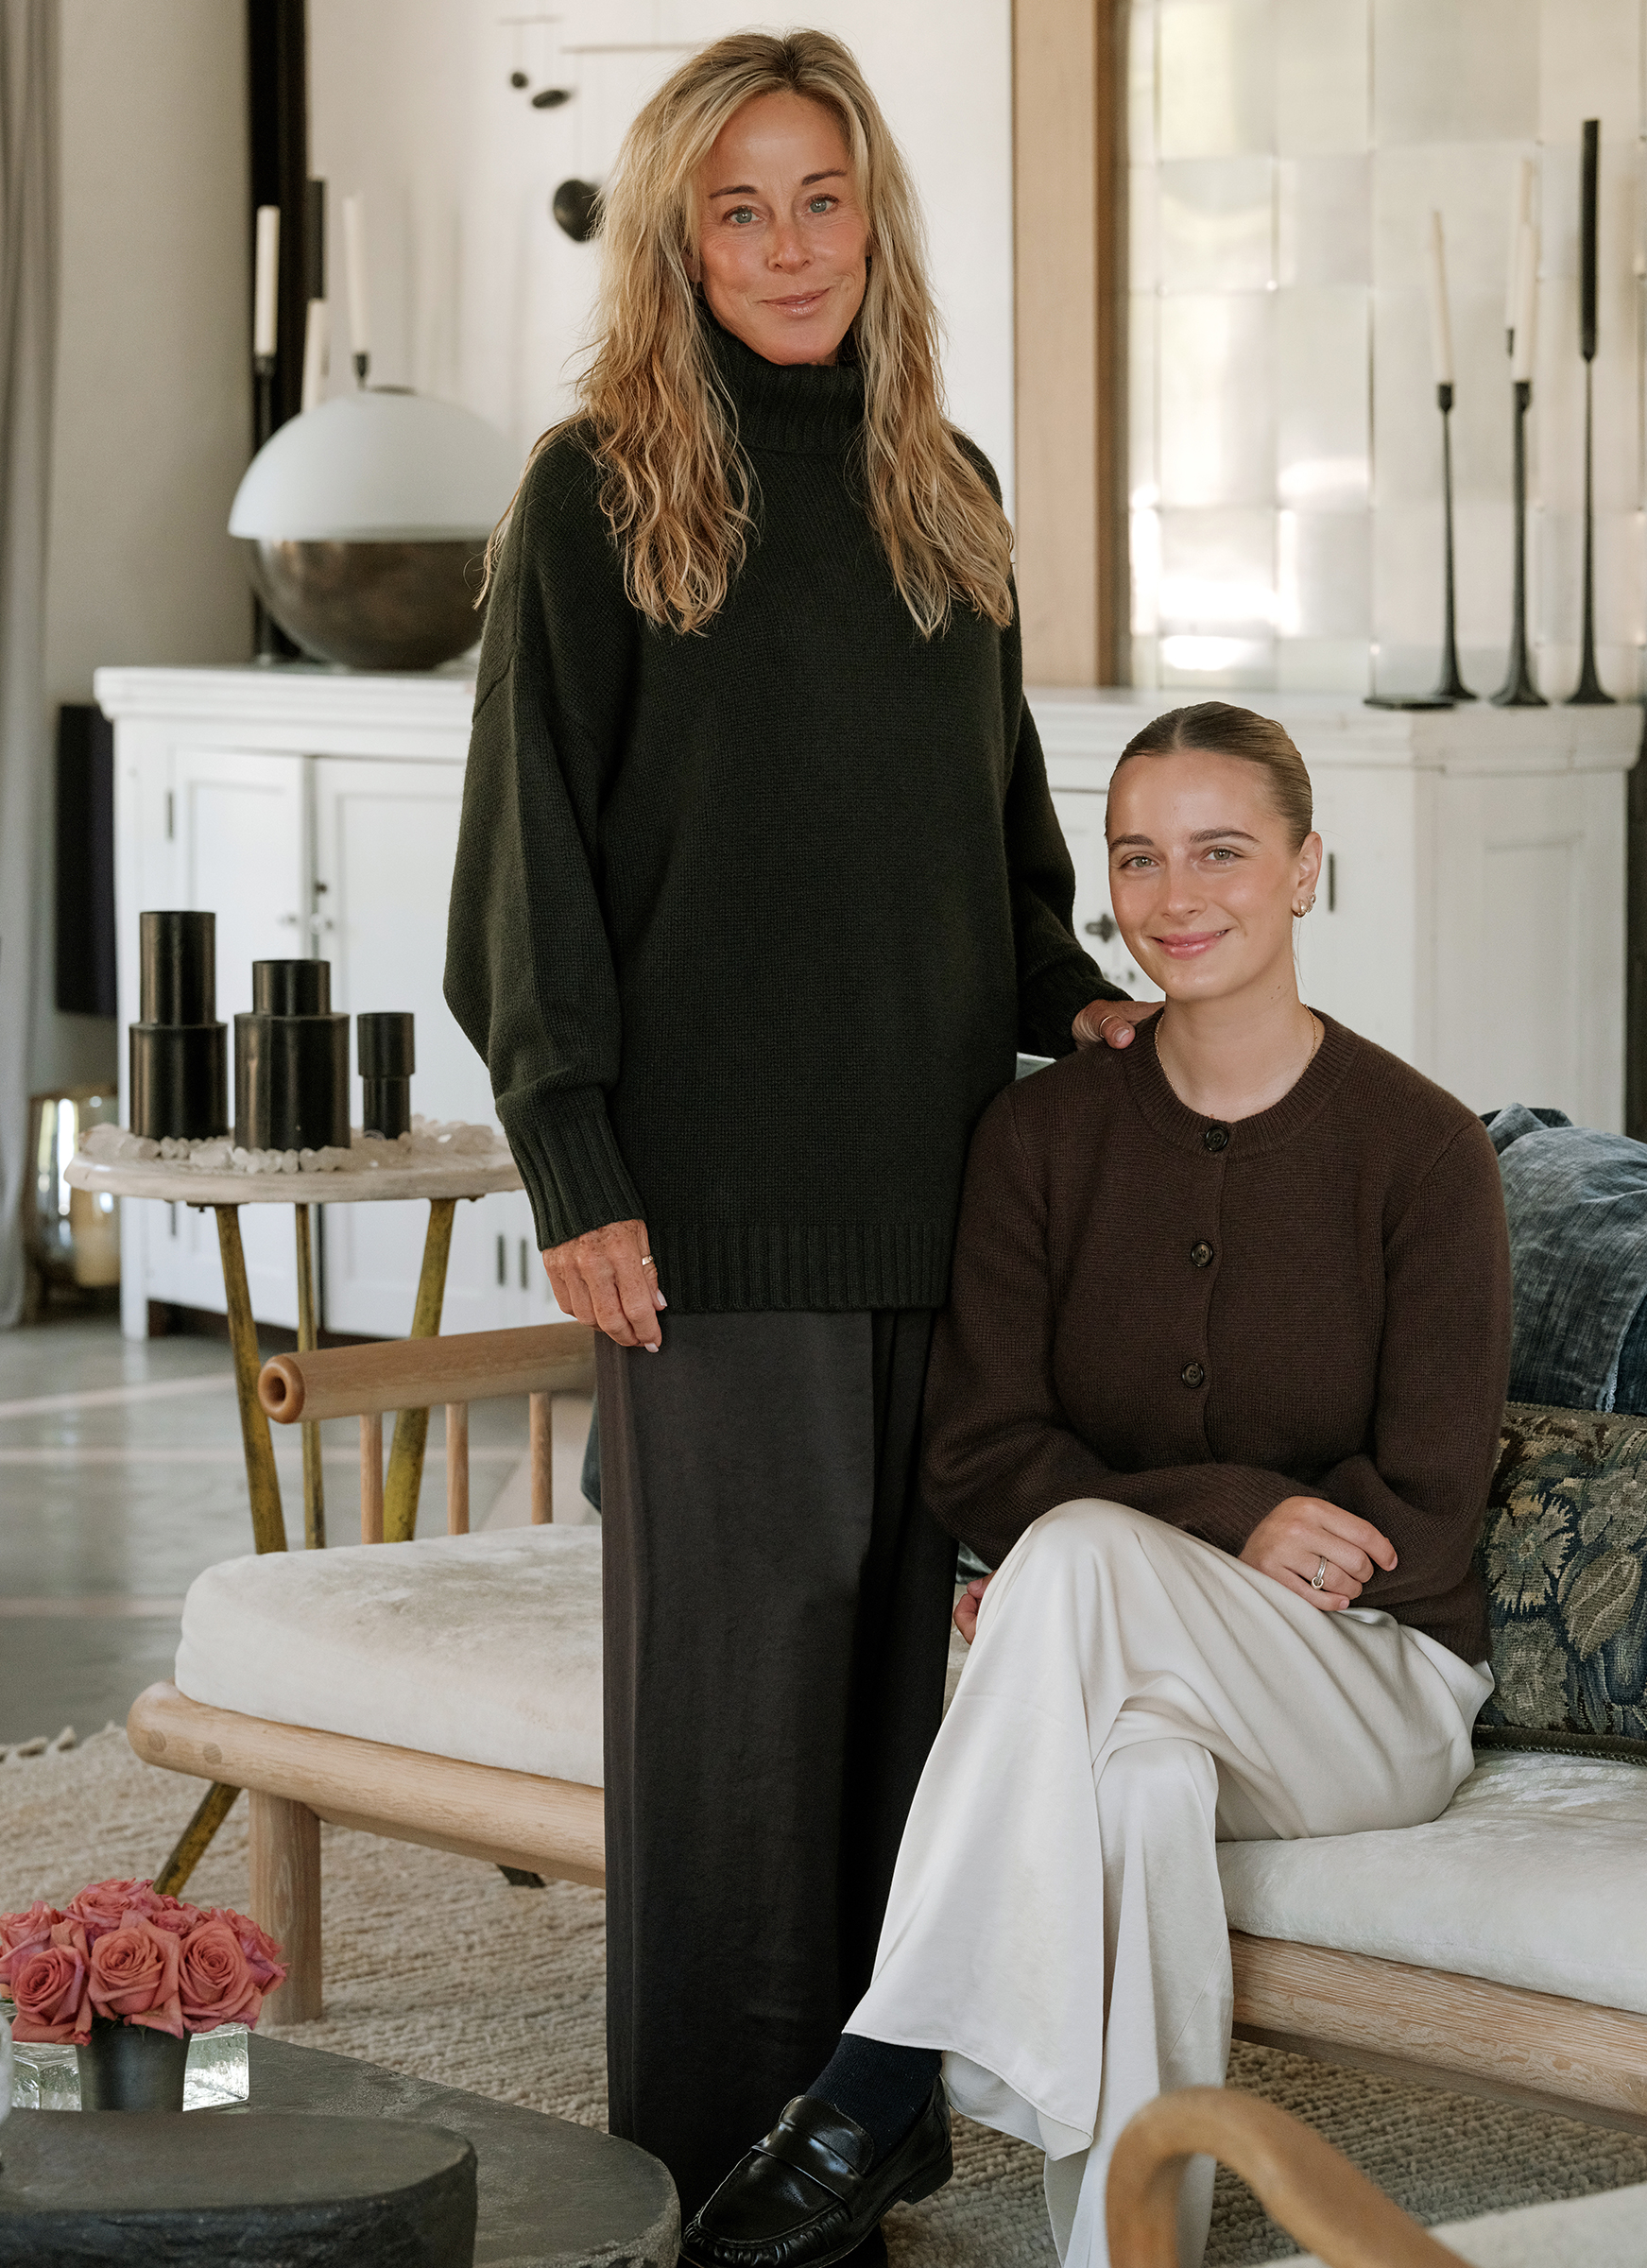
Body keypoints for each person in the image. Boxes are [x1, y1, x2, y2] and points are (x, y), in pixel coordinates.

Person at [444, 27, 1147, 2235]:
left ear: (875, 215)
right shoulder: (596, 494)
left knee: (895, 1722)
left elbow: (996, 847)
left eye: (818, 196)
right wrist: (576, 1167)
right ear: (673, 235)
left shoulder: (948, 488)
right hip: (708, 1213)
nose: (785, 244)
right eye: (734, 207)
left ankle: (869, 2136)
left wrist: (1086, 1007)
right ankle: (699, 2172)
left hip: (943, 1196)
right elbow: (521, 867)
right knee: (734, 1739)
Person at [683, 701, 1513, 2268]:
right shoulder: (1042, 1137)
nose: (1176, 897)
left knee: (1066, 1562)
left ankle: (872, 2080)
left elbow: (1423, 1511)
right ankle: (1128, 2253)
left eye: (1222, 852)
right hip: (1142, 1670)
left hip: (1372, 1686)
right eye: (1139, 858)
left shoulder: (1422, 1152)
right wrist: (1220, 1523)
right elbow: (974, 1450)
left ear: (1305, 871)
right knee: (1135, 1786)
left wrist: (1169, 1540)